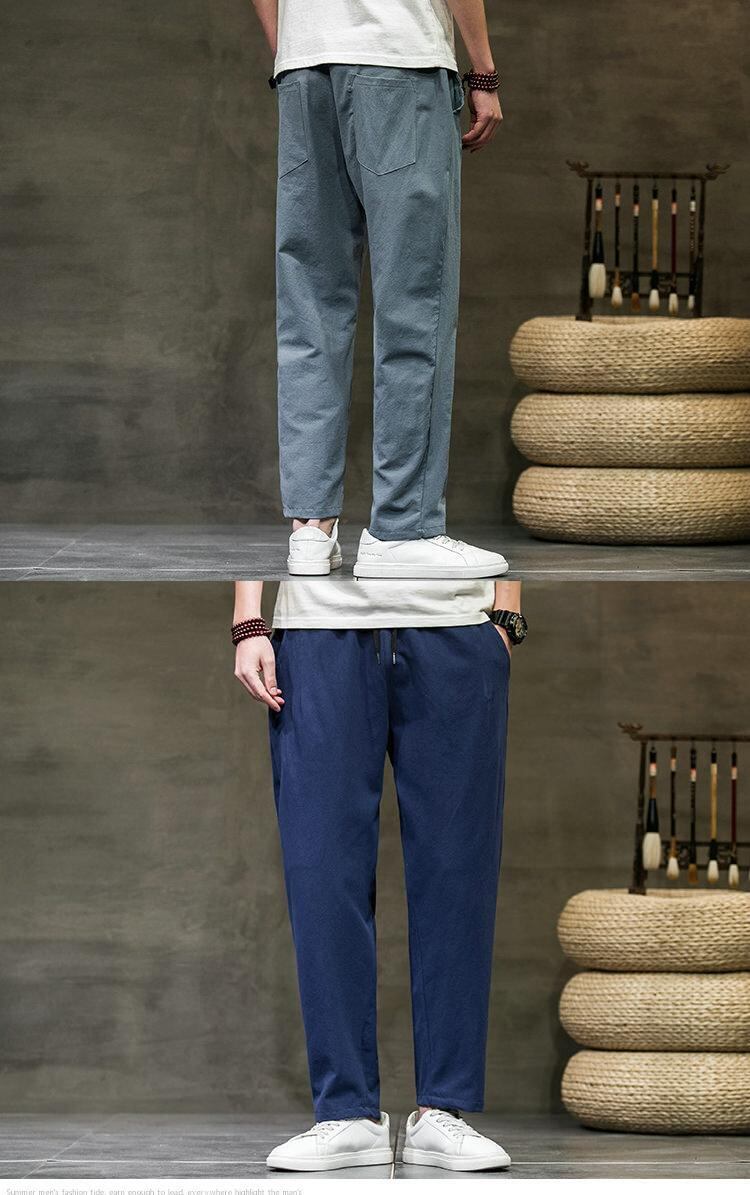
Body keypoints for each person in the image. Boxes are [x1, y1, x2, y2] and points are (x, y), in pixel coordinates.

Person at [233, 576, 526, 1172]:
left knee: (457, 871)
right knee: (321, 871)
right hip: (319, 630)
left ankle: (443, 1110)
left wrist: (506, 621)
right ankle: (346, 1113)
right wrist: (248, 620)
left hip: (453, 627)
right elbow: (259, 512)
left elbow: (507, 518)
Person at [250, 1, 508, 579]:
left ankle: (310, 530)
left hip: (304, 73)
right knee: (414, 301)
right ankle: (404, 527)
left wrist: (294, 50)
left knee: (310, 304)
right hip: (399, 61)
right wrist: (484, 72)